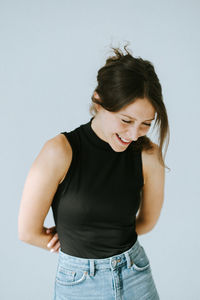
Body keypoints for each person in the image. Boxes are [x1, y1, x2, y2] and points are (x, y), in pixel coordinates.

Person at [18, 44, 170, 299]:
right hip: (79, 283)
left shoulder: (148, 155)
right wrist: (74, 241)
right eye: (126, 120)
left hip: (136, 274)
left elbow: (147, 221)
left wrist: (102, 234)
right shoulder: (59, 151)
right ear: (99, 102)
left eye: (145, 124)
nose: (134, 135)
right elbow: (27, 231)